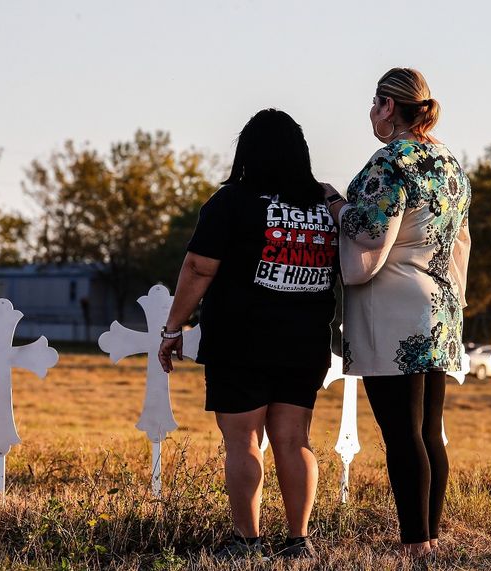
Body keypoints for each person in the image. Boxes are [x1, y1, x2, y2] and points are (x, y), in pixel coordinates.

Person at [158, 109, 338, 560]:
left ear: (246, 153)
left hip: (241, 340)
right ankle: (299, 542)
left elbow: (199, 267)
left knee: (242, 441)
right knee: (294, 440)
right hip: (305, 341)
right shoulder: (325, 206)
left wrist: (172, 327)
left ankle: (246, 542)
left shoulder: (231, 203)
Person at [323, 68, 472, 557]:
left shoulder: (391, 161)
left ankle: (415, 543)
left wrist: (334, 205)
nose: (370, 112)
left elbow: (368, 229)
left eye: (374, 103)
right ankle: (429, 534)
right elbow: (460, 241)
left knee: (401, 434)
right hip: (441, 308)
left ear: (389, 106)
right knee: (430, 431)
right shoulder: (451, 163)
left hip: (394, 313)